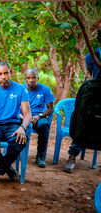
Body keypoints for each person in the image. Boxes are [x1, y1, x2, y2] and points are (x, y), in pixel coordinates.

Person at [63, 28, 101, 173]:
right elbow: (94, 75)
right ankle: (72, 156)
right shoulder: (91, 56)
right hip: (95, 95)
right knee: (83, 121)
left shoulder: (90, 56)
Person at [23, 68, 55, 168]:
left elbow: (50, 108)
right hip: (24, 116)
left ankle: (40, 155)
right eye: (28, 78)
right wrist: (25, 117)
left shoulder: (45, 89)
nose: (31, 80)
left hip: (39, 116)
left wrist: (39, 116)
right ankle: (13, 153)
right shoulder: (21, 89)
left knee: (44, 125)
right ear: (25, 79)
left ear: (38, 78)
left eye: (33, 77)